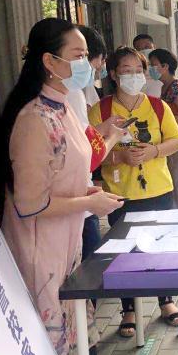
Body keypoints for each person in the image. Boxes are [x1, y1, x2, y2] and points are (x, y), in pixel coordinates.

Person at [0, 18, 127, 355]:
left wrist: (89, 192)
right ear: (48, 61)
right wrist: (88, 205)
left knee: (68, 351)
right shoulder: (33, 119)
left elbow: (69, 175)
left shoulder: (64, 107)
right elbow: (30, 205)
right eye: (76, 56)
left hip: (66, 247)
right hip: (41, 255)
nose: (86, 65)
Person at [88, 46, 178, 338]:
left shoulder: (157, 106)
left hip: (158, 189)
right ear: (114, 74)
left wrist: (154, 150)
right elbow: (88, 153)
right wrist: (118, 157)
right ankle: (128, 308)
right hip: (120, 193)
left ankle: (166, 301)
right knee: (125, 254)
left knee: (160, 248)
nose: (133, 75)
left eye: (138, 70)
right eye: (126, 70)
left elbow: (177, 140)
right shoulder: (101, 110)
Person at [73, 25, 109, 261]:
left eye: (86, 56)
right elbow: (86, 148)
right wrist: (112, 135)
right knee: (88, 273)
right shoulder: (69, 93)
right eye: (80, 56)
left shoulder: (72, 91)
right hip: (76, 202)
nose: (91, 66)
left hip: (82, 196)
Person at [149, 48, 178, 209]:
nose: (150, 69)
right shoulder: (164, 87)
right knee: (172, 185)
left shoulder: (176, 88)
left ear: (165, 66)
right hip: (169, 142)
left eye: (153, 65)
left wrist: (163, 121)